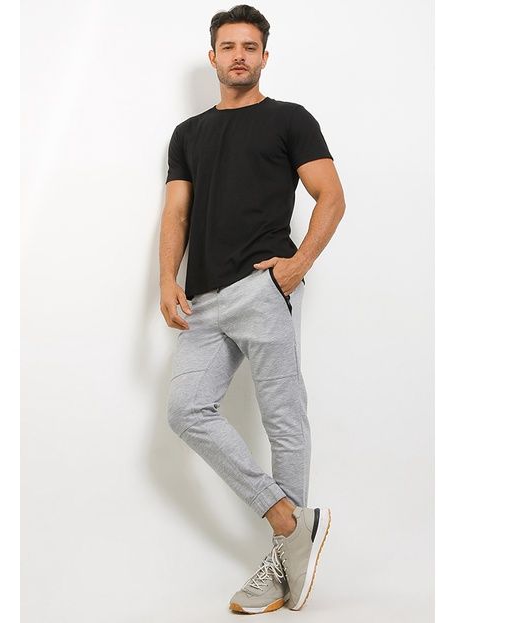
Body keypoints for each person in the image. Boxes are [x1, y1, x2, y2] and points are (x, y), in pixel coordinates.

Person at [159, 4, 345, 614]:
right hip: (203, 301)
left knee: (283, 419)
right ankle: (291, 524)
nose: (238, 55)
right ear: (212, 56)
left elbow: (331, 197)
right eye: (228, 46)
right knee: (186, 410)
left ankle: (282, 564)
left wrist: (295, 266)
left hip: (263, 287)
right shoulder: (188, 133)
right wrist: (167, 279)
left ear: (265, 55)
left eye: (249, 46)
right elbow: (176, 213)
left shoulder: (290, 119)